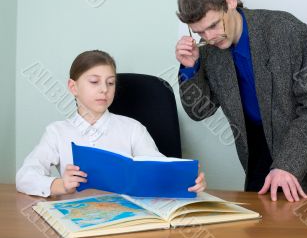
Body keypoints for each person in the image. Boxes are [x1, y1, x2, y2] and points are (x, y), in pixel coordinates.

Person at [175, 0, 307, 238]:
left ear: (230, 2)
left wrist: (287, 164)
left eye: (214, 25)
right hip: (259, 153)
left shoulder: (287, 31)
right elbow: (199, 111)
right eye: (200, 32)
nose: (210, 37)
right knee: (260, 237)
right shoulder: (208, 49)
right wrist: (190, 69)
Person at [16, 50, 206, 197]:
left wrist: (186, 176)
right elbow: (24, 176)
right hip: (76, 219)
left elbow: (156, 166)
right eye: (94, 82)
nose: (104, 90)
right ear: (73, 87)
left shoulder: (133, 129)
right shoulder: (57, 132)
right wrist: (60, 185)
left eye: (110, 83)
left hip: (125, 219)